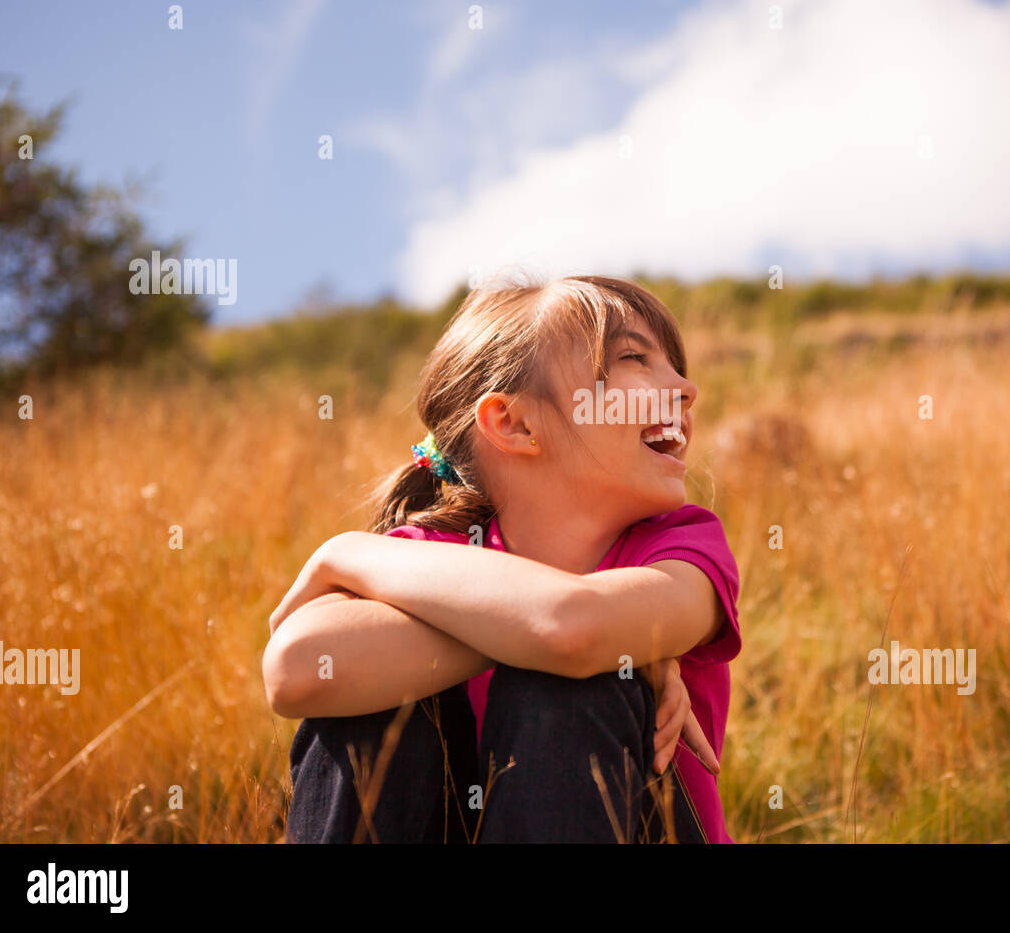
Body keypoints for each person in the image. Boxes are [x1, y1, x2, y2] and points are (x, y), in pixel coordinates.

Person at [262, 273, 742, 842]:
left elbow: (571, 631)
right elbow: (298, 668)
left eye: (675, 363)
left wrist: (349, 556)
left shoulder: (683, 548)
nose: (686, 388)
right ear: (514, 424)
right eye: (636, 360)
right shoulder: (435, 553)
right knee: (371, 706)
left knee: (572, 681)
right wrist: (572, 633)